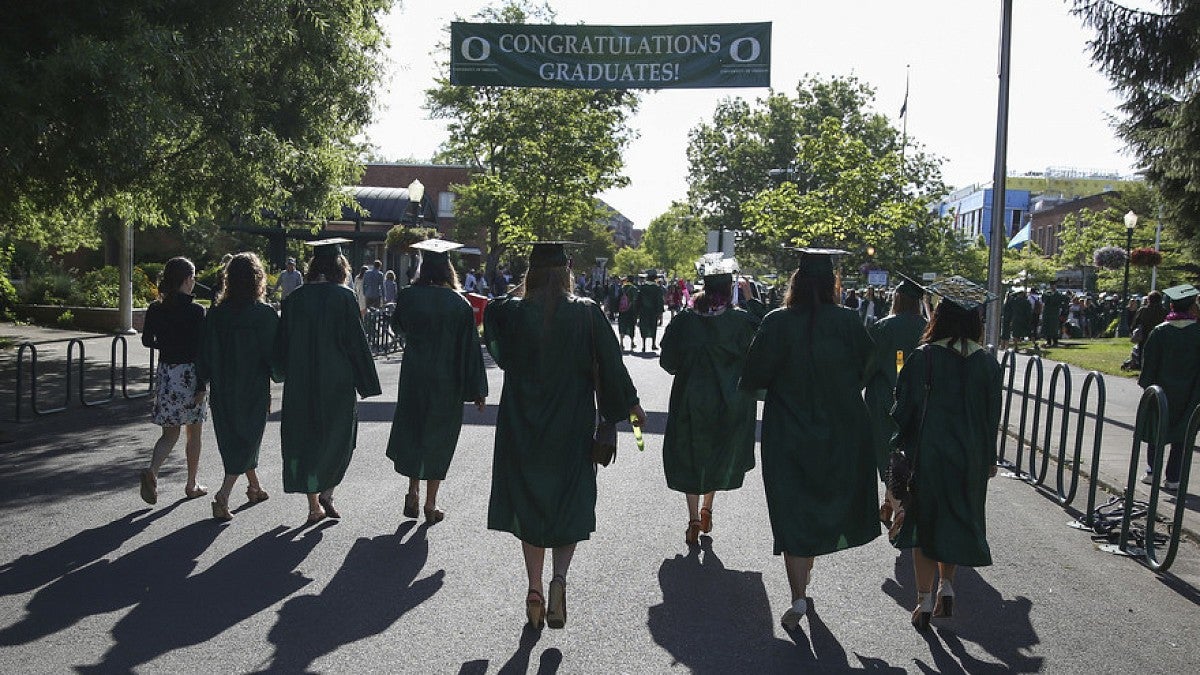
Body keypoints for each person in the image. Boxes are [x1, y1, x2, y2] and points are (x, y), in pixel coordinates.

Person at [483, 242, 646, 630]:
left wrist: (523, 293)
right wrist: (631, 405)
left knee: (529, 499)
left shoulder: (511, 313)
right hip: (571, 422)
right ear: (567, 272)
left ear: (531, 273)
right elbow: (611, 364)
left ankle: (535, 587)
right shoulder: (586, 313)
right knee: (568, 499)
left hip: (522, 422)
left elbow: (494, 326)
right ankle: (559, 579)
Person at [739, 248, 878, 631]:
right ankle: (805, 583)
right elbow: (870, 366)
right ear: (833, 284)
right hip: (840, 429)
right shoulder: (850, 322)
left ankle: (798, 595)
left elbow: (752, 379)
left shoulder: (776, 322)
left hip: (788, 430)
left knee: (793, 509)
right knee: (822, 501)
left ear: (795, 283)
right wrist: (842, 389)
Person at [887, 276, 1002, 631]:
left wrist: (897, 441)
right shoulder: (986, 362)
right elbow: (991, 416)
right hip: (970, 455)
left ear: (939, 317)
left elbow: (902, 407)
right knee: (954, 521)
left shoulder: (923, 357)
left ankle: (923, 598)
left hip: (930, 453)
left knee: (924, 526)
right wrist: (989, 457)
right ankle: (947, 586)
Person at [275, 238, 382, 524]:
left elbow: (282, 344)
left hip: (301, 380)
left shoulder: (294, 299)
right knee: (340, 437)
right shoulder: (344, 297)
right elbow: (356, 343)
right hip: (337, 380)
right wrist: (367, 381)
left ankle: (315, 504)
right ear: (339, 267)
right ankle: (328, 493)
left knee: (306, 437)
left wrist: (279, 371)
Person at [386, 239, 488, 524]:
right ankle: (431, 503)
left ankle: (412, 489)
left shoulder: (408, 296)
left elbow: (397, 326)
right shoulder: (459, 304)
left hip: (415, 376)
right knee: (439, 438)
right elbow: (470, 348)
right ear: (448, 268)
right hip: (447, 380)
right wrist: (478, 389)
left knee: (414, 430)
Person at [659, 268, 759, 545]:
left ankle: (692, 518)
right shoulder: (740, 321)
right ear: (730, 291)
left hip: (689, 399)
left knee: (690, 455)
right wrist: (751, 299)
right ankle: (707, 508)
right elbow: (764, 340)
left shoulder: (684, 321)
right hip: (727, 401)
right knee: (716, 454)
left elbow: (668, 363)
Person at [196, 253, 280, 521]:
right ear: (258, 279)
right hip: (252, 386)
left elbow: (205, 352)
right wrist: (281, 373)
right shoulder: (264, 315)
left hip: (223, 386)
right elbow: (274, 355)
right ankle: (223, 495)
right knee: (248, 438)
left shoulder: (217, 315)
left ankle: (254, 487)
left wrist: (203, 381)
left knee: (235, 438)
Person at [139, 257, 209, 505]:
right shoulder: (196, 310)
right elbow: (201, 350)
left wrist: (165, 344)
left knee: (169, 434)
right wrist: (201, 384)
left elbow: (147, 340)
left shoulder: (156, 308)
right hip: (189, 374)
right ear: (188, 279)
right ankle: (191, 483)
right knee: (194, 432)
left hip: (167, 374)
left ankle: (152, 471)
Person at [862, 277, 928, 480]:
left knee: (886, 449)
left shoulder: (882, 327)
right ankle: (903, 494)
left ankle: (893, 495)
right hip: (919, 398)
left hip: (884, 397)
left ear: (896, 299)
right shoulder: (927, 327)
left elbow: (869, 366)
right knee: (913, 449)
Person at [1137, 284, 1200, 490]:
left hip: (1161, 390)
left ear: (1171, 306)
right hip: (1190, 392)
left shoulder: (1160, 332)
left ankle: (1152, 471)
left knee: (1157, 428)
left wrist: (1148, 386)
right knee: (1182, 434)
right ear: (1192, 308)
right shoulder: (1198, 332)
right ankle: (1173, 477)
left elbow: (1149, 365)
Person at [1124, 291, 1167, 371]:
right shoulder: (1164, 311)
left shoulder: (1143, 310)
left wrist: (1133, 330)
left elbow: (1135, 322)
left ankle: (1142, 368)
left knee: (1143, 352)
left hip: (1145, 335)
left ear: (1149, 299)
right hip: (1159, 335)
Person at [637, 270, 666, 353]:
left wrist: (637, 311)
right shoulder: (657, 288)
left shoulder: (643, 287)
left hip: (643, 310)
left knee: (644, 326)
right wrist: (660, 312)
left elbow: (638, 300)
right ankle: (653, 344)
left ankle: (643, 345)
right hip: (653, 311)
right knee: (653, 326)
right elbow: (660, 300)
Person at [617, 274, 639, 351]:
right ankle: (632, 343)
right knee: (631, 326)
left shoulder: (621, 288)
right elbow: (635, 300)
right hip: (631, 311)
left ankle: (621, 343)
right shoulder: (634, 289)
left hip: (622, 310)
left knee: (622, 325)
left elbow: (617, 298)